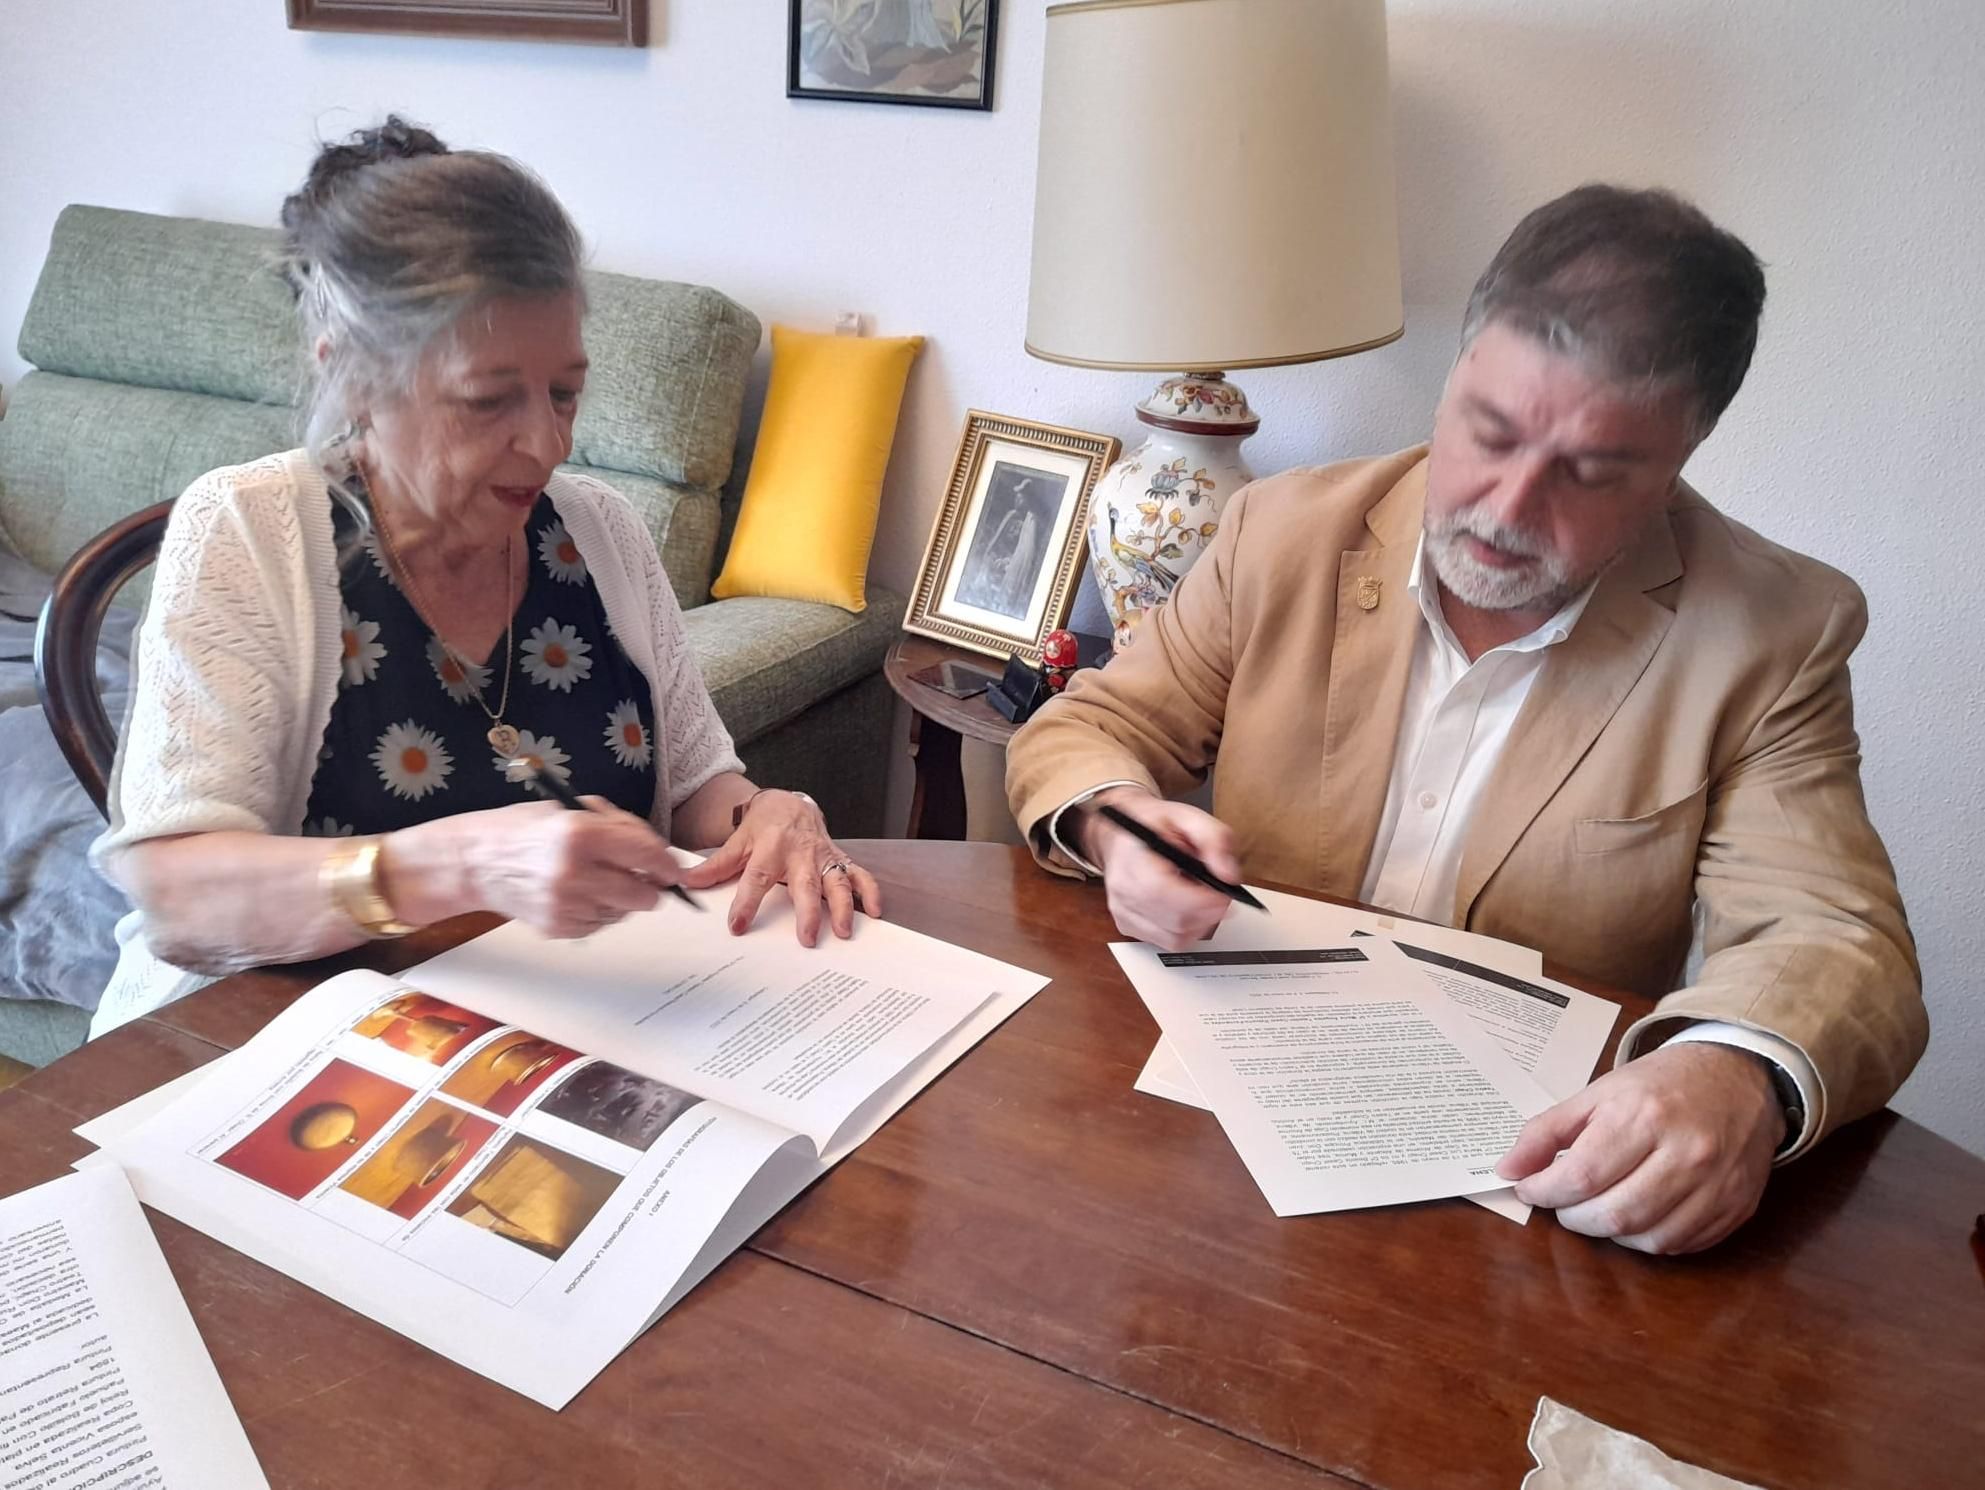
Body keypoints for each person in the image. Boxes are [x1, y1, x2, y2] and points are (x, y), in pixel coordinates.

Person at [1005, 184, 1926, 1255]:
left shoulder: (1769, 633)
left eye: (1588, 473)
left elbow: (1836, 937)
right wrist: (1120, 820)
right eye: (1487, 433)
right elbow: (1088, 726)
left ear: (1678, 460)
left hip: (1521, 1193)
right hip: (1218, 1140)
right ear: (1452, 377)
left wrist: (1737, 1068)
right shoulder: (1282, 531)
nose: (1504, 509)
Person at [90, 118, 882, 1037]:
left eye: (564, 392)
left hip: (575, 1036)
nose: (545, 444)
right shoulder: (249, 529)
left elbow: (703, 785)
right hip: (292, 1063)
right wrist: (456, 865)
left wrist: (773, 812)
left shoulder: (603, 533)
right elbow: (177, 896)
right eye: (487, 399)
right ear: (351, 381)